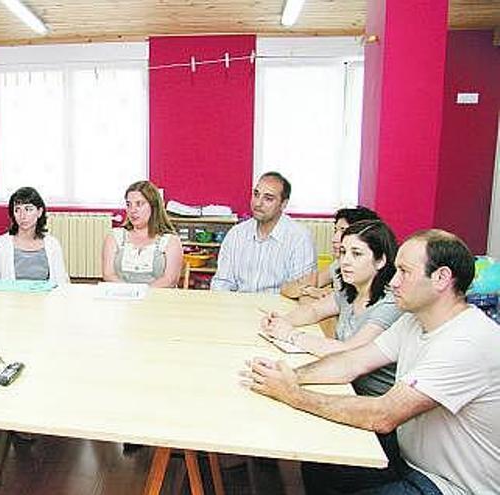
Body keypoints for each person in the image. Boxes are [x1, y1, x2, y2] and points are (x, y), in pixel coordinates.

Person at [244, 229, 500, 494]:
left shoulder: (467, 342)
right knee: (320, 462)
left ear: (441, 278)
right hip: (407, 458)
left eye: (404, 272)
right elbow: (352, 362)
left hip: (450, 485)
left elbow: (384, 414)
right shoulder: (414, 320)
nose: (394, 282)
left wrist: (292, 394)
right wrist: (289, 375)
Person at [211, 171, 315, 293]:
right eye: (256, 194)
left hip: (279, 310)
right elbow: (222, 283)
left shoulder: (300, 238)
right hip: (239, 308)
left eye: (268, 198)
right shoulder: (236, 234)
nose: (258, 203)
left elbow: (302, 289)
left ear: (283, 204)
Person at [281, 206, 380, 299]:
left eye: (343, 231)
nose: (334, 239)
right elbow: (287, 287)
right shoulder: (337, 264)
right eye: (335, 231)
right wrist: (309, 290)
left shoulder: (370, 272)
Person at [102, 180, 183, 288]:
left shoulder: (170, 240)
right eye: (128, 205)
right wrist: (130, 293)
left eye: (139, 204)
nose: (132, 210)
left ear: (153, 206)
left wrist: (142, 293)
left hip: (158, 300)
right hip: (123, 298)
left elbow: (170, 280)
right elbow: (108, 274)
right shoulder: (114, 236)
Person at [0, 186, 69, 284]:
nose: (22, 216)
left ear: (39, 212)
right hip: (10, 298)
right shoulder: (1, 244)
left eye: (28, 209)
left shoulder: (52, 244)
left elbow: (60, 281)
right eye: (17, 210)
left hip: (45, 298)